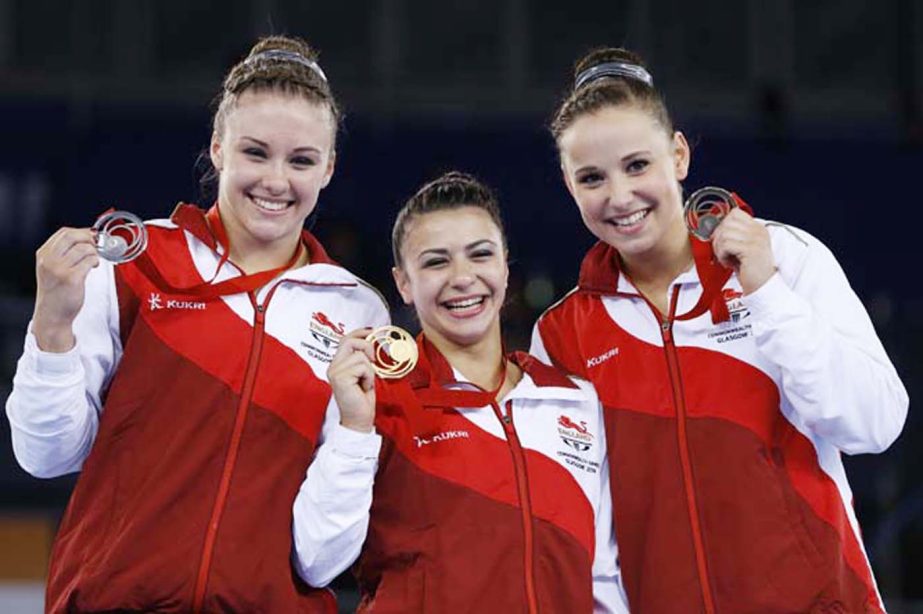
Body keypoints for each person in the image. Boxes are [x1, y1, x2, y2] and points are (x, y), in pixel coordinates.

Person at [5, 35, 388, 613]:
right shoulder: (136, 262)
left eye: (301, 160)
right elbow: (46, 454)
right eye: (255, 153)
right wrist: (52, 326)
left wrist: (358, 435)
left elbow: (323, 559)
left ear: (329, 168)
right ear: (217, 149)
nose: (277, 181)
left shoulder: (355, 312)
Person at [530, 47, 910, 613]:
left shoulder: (785, 258)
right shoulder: (563, 334)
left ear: (678, 155)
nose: (619, 196)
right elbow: (582, 528)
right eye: (592, 177)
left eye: (638, 165)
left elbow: (872, 424)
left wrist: (767, 294)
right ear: (568, 184)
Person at [291, 171, 629, 613]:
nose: (463, 277)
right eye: (436, 261)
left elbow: (601, 578)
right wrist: (355, 428)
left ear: (505, 265)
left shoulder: (573, 402)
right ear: (404, 284)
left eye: (480, 254)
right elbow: (316, 561)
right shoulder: (377, 401)